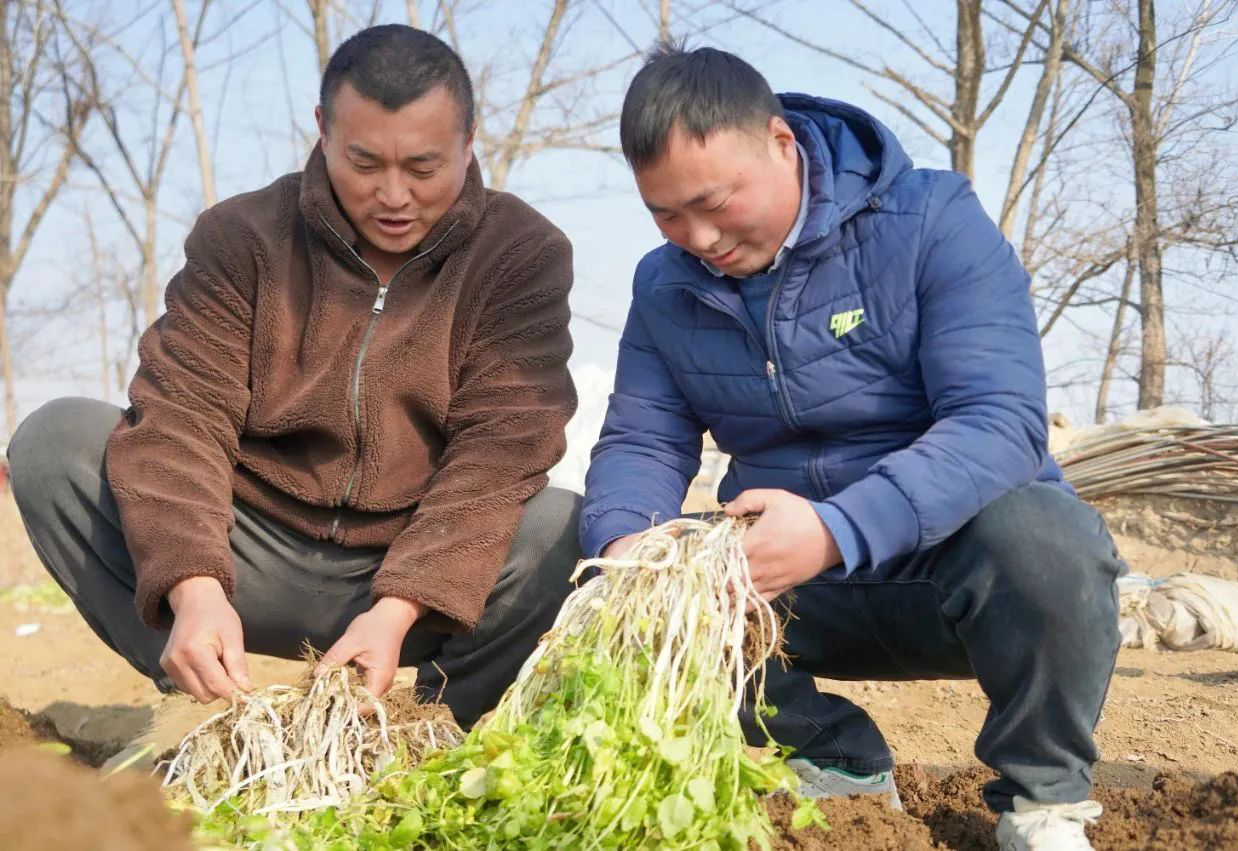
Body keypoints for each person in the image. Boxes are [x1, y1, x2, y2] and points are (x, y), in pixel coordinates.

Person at [580, 43, 1124, 851]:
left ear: (780, 143)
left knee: (1050, 539)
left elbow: (999, 421)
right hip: (777, 585)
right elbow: (641, 442)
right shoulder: (665, 286)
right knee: (615, 561)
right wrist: (629, 547)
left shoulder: (930, 221)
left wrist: (835, 529)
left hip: (950, 568)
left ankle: (1042, 800)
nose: (698, 236)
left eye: (715, 202)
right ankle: (833, 756)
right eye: (666, 214)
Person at [8, 24, 581, 735]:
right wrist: (195, 584)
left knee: (562, 525)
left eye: (424, 167)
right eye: (364, 162)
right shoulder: (242, 237)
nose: (393, 195)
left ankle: (426, 737)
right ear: (322, 130)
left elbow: (500, 453)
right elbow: (183, 415)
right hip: (246, 545)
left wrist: (400, 605)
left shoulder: (522, 256)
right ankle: (215, 707)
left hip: (408, 565)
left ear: (469, 141)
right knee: (54, 438)